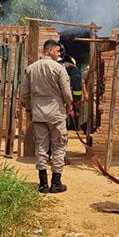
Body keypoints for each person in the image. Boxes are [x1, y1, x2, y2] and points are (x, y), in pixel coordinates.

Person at [22, 40, 73, 193]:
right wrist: (69, 107)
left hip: (38, 114)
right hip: (56, 113)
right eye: (57, 51)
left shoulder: (30, 69)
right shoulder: (59, 69)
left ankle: (43, 183)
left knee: (41, 147)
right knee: (58, 146)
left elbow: (25, 94)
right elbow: (66, 93)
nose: (59, 54)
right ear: (49, 50)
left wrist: (30, 109)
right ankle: (56, 182)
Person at [57, 45, 83, 132]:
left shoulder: (55, 66)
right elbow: (77, 85)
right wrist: (77, 100)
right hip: (68, 95)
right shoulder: (73, 68)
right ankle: (70, 128)